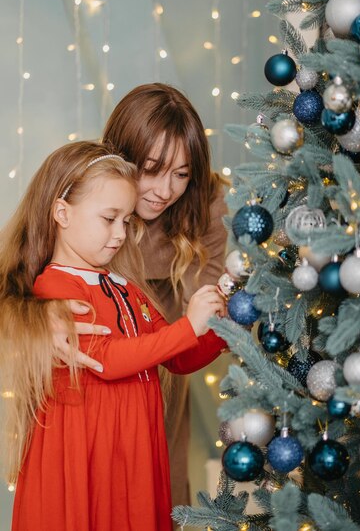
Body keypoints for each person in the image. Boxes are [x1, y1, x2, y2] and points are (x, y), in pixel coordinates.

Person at [0, 140, 227, 531]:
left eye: (126, 221)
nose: (120, 234)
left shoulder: (125, 287)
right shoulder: (56, 288)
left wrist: (222, 326)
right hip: (87, 450)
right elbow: (107, 359)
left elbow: (177, 357)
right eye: (109, 219)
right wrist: (189, 325)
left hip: (134, 448)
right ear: (62, 213)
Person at [53, 83, 229, 512]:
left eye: (181, 174)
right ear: (121, 156)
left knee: (156, 496)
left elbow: (205, 318)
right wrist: (39, 317)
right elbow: (21, 279)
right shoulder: (87, 193)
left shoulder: (205, 206)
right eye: (150, 168)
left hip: (166, 371)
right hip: (89, 384)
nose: (164, 190)